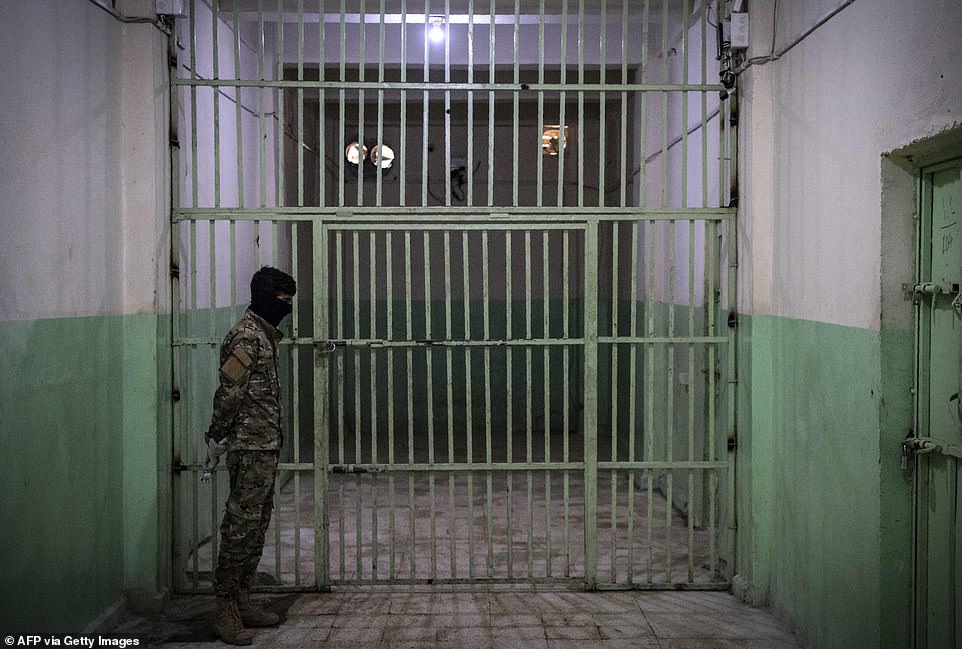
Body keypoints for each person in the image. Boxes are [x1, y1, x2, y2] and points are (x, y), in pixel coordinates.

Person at [202, 266, 296, 645]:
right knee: (241, 526)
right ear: (265, 299)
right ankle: (224, 607)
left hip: (265, 445)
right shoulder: (246, 337)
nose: (287, 308)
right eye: (283, 301)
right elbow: (229, 393)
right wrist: (217, 436)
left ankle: (243, 598)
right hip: (247, 446)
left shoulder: (266, 336)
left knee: (257, 525)